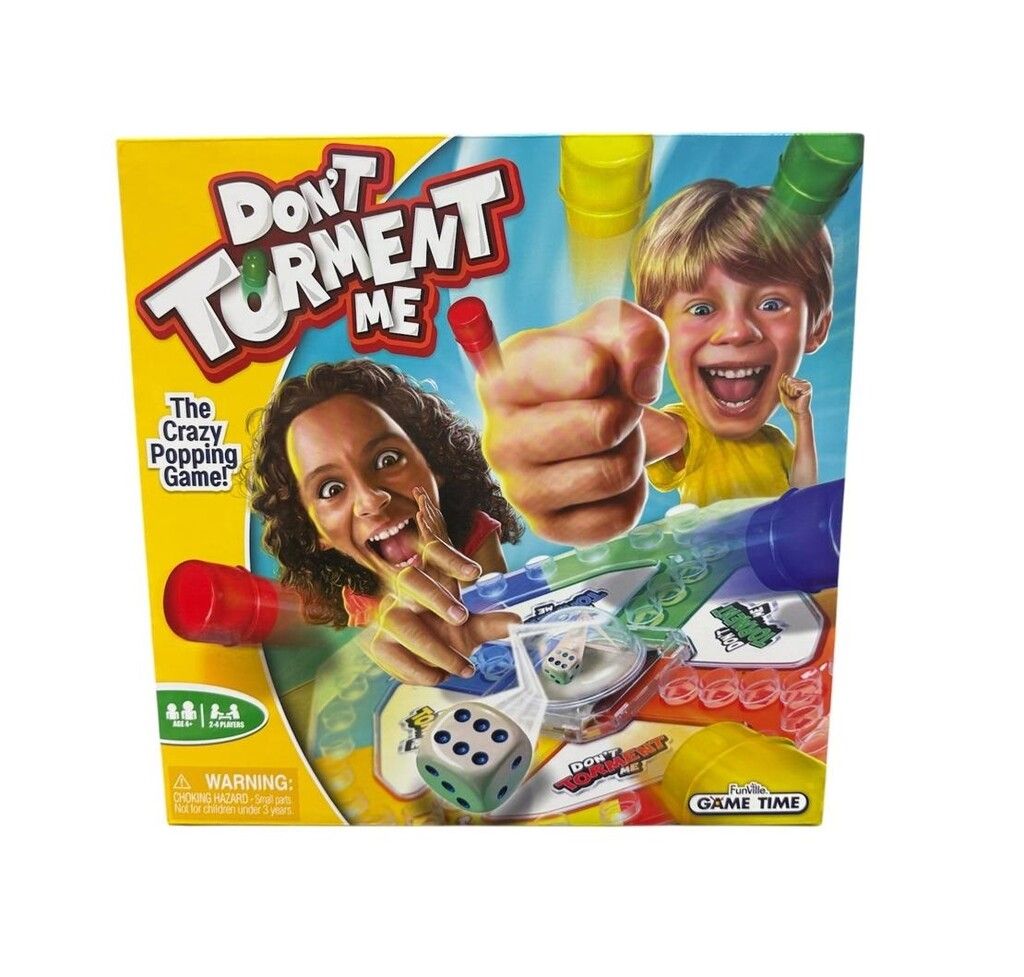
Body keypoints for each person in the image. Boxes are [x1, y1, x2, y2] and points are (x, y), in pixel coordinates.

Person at [477, 178, 834, 543]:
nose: (737, 331)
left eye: (771, 304)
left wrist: (801, 418)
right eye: (701, 309)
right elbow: (627, 429)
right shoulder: (690, 431)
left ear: (817, 327)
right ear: (661, 332)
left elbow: (803, 494)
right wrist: (544, 414)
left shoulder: (774, 442)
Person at [249, 360, 522, 685]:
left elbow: (506, 621)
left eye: (387, 459)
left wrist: (456, 590)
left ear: (435, 464)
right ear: (315, 532)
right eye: (331, 489)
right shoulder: (358, 603)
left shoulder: (476, 532)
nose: (371, 499)